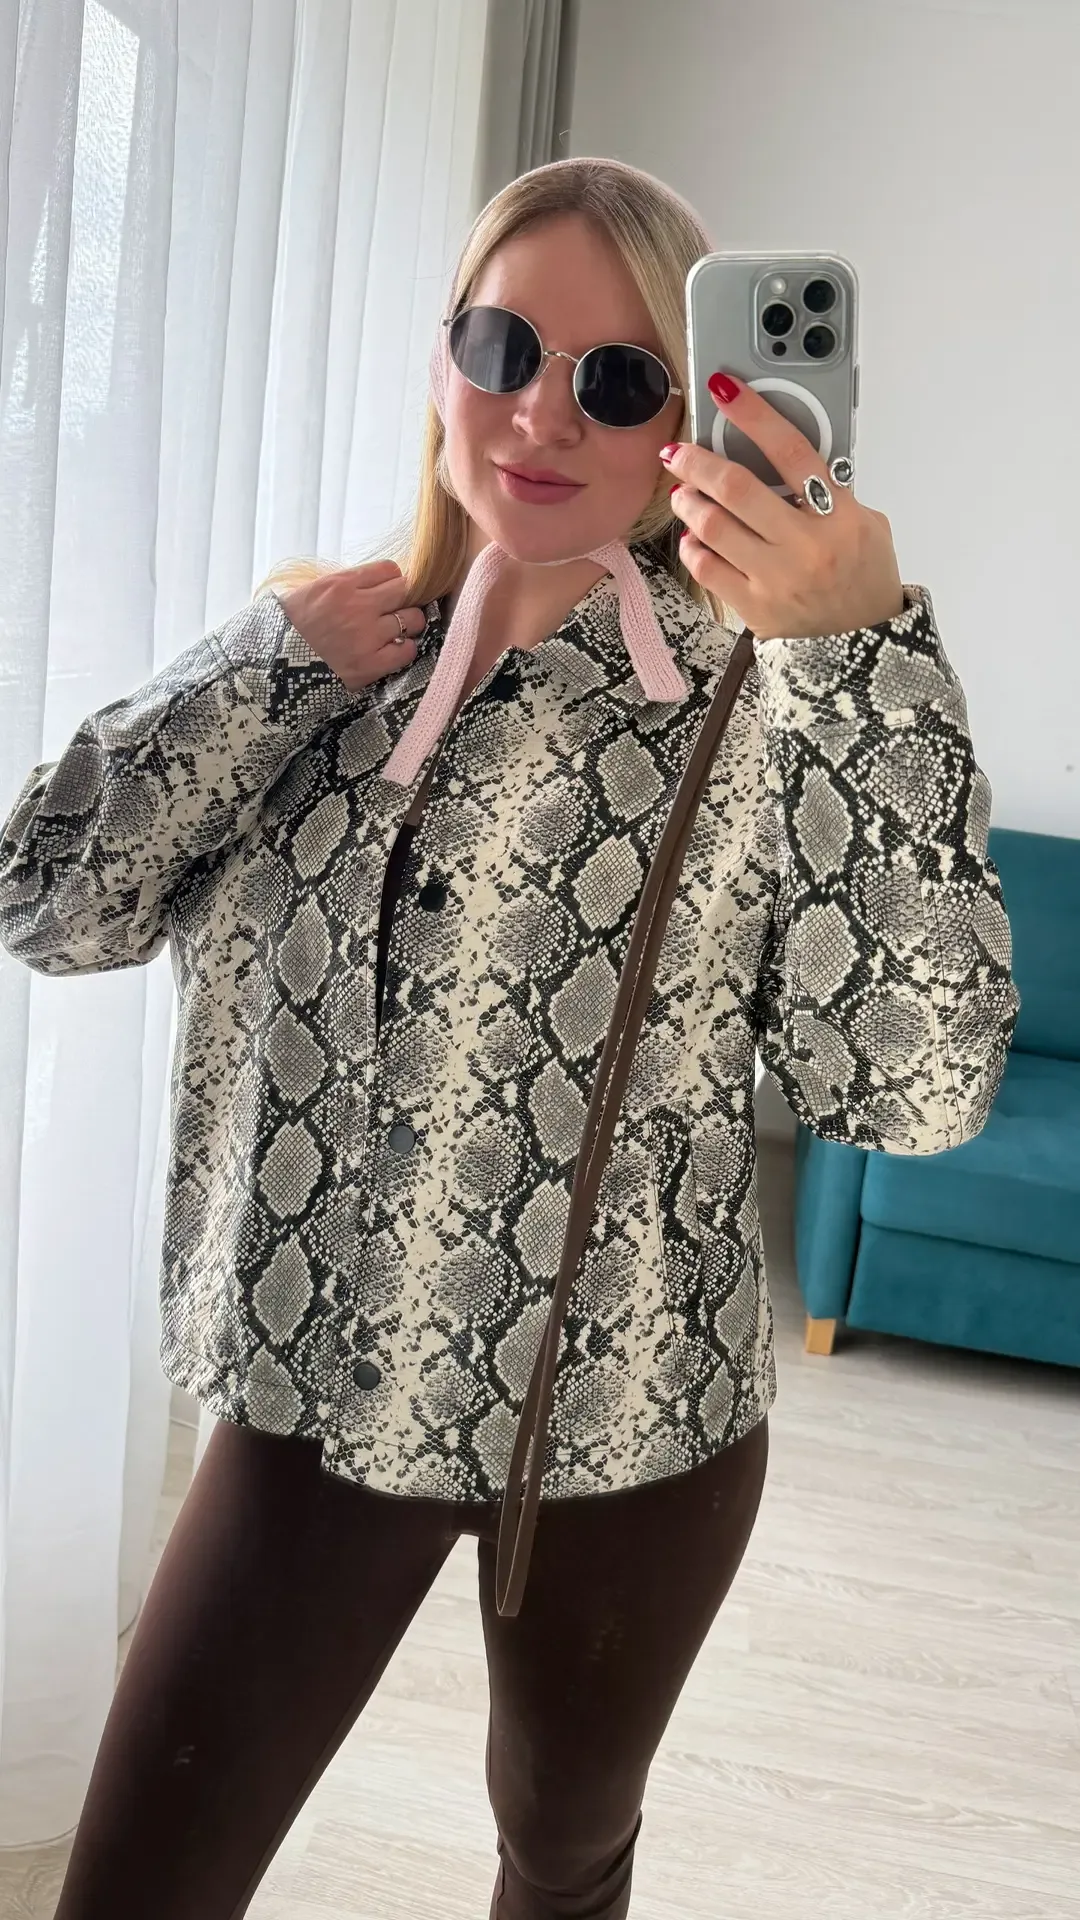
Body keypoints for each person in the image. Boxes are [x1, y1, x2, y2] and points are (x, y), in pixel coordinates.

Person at [0, 157, 1018, 1920]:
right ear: (442, 359)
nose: (544, 413)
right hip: (313, 1401)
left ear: (691, 419)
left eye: (618, 379)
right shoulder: (326, 670)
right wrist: (255, 665)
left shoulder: (777, 702)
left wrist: (864, 664)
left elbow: (916, 1091)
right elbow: (46, 903)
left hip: (627, 1426)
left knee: (560, 1862)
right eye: (503, 347)